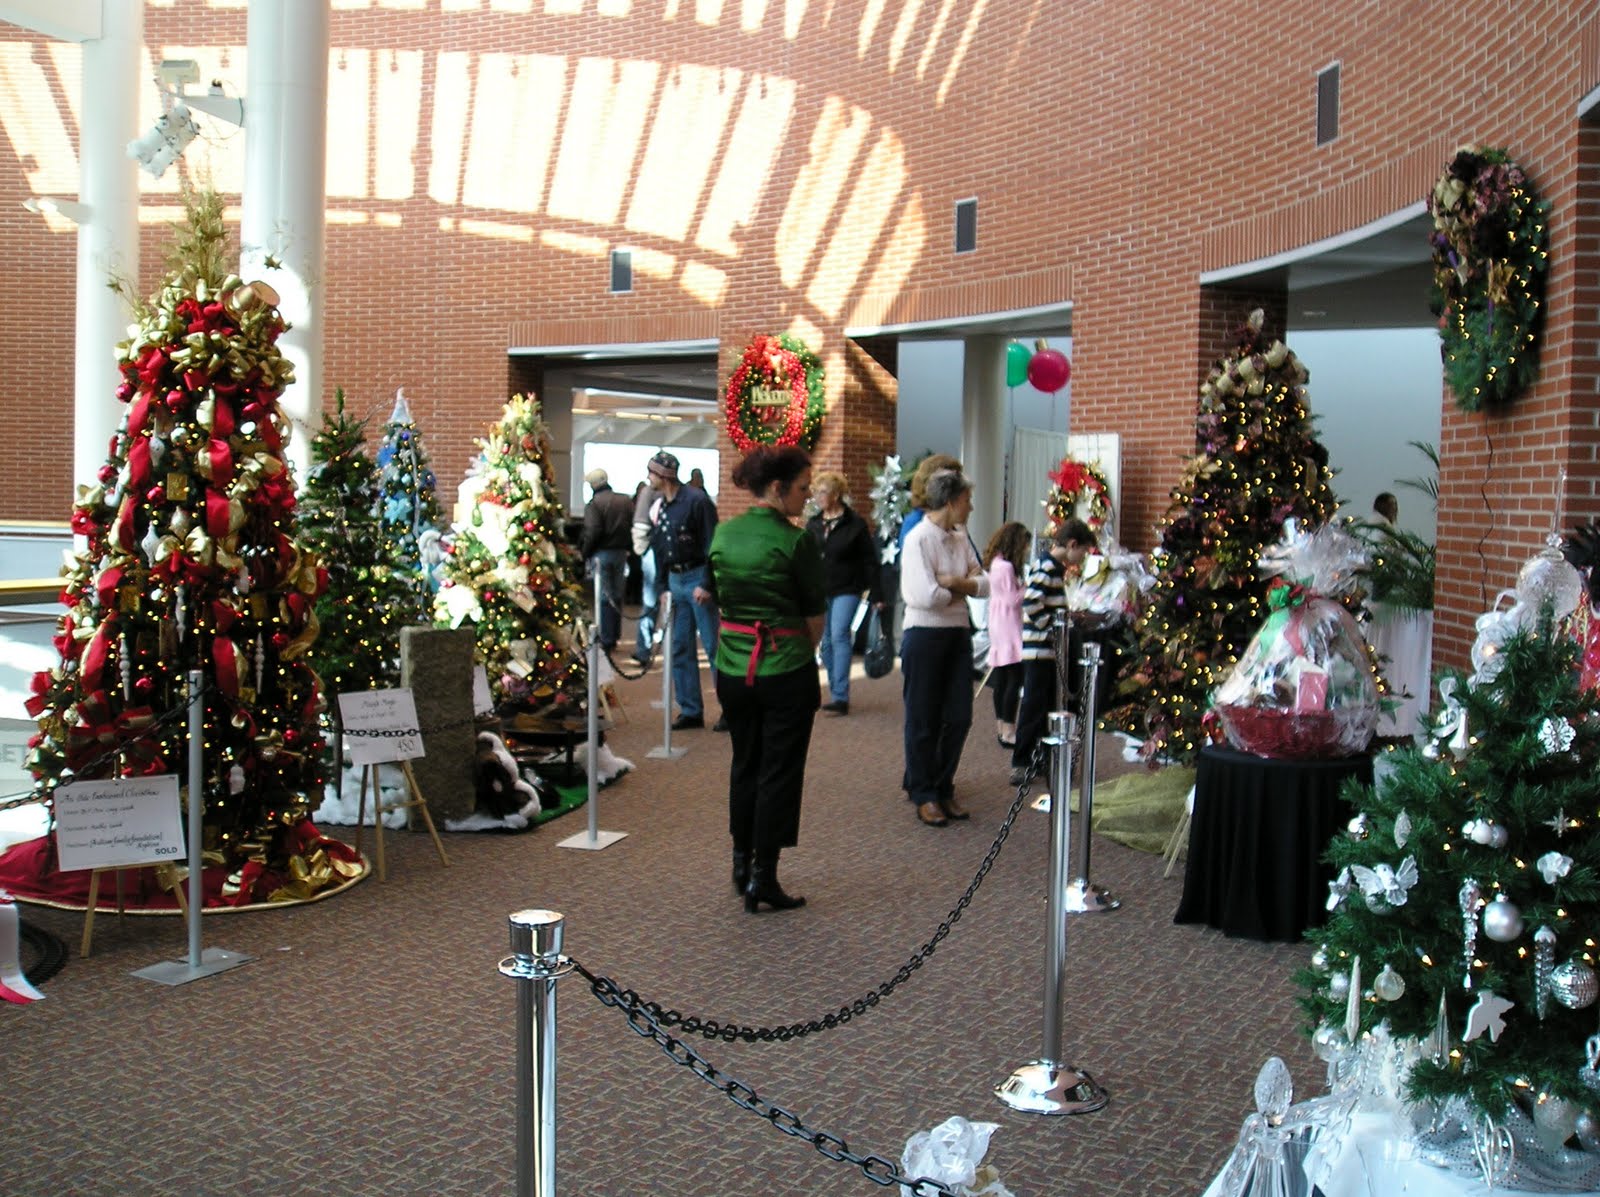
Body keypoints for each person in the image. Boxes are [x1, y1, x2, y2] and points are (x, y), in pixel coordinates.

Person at [707, 445, 826, 912]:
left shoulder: (723, 535)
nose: (807, 494)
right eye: (801, 487)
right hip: (785, 669)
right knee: (779, 771)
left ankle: (740, 862)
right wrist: (797, 650)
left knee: (745, 763)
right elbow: (814, 616)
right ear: (777, 489)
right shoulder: (797, 541)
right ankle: (764, 876)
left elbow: (719, 598)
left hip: (732, 670)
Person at [900, 468, 988, 827]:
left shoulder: (960, 536)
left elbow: (986, 584)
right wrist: (962, 587)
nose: (971, 507)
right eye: (967, 501)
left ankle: (942, 783)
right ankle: (924, 791)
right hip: (924, 635)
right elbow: (923, 596)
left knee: (959, 716)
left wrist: (952, 582)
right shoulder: (919, 538)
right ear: (951, 502)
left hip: (957, 634)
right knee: (923, 718)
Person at [1009, 518, 1096, 785]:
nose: (1081, 559)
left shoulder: (1053, 568)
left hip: (1048, 653)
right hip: (1040, 652)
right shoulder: (1047, 567)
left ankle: (1044, 758)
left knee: (1047, 706)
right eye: (1082, 552)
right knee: (1034, 707)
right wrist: (1053, 629)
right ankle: (1021, 761)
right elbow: (1032, 604)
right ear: (1072, 545)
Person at [646, 449, 725, 730]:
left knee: (713, 645)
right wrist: (662, 586)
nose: (648, 477)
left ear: (663, 475)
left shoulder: (697, 501)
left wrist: (707, 583)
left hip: (696, 578)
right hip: (676, 581)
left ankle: (728, 709)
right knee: (680, 647)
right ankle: (691, 709)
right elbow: (660, 548)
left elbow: (712, 544)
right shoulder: (661, 505)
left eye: (651, 472)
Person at [805, 471, 883, 715]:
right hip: (820, 588)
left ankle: (840, 696)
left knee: (839, 635)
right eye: (816, 492)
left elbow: (870, 560)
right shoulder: (814, 523)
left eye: (823, 492)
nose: (818, 497)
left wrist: (877, 594)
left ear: (836, 495)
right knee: (825, 643)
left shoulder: (855, 524)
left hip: (847, 588)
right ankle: (835, 683)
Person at [982, 521, 1031, 748]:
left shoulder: (996, 562)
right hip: (1009, 622)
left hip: (998, 621)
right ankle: (1009, 729)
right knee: (1014, 677)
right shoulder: (1007, 567)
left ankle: (1001, 726)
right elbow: (1013, 600)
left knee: (1002, 677)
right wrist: (1027, 587)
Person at [579, 468, 633, 651]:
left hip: (601, 554)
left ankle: (606, 638)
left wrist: (585, 553)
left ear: (594, 485)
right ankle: (615, 634)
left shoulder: (594, 504)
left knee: (603, 597)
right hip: (621, 553)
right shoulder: (625, 500)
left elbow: (593, 531)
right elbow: (631, 526)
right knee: (617, 595)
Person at [631, 475, 663, 663]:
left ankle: (644, 649)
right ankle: (645, 648)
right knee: (653, 602)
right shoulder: (654, 493)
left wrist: (641, 549)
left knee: (650, 602)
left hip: (653, 551)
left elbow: (640, 524)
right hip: (657, 551)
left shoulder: (648, 492)